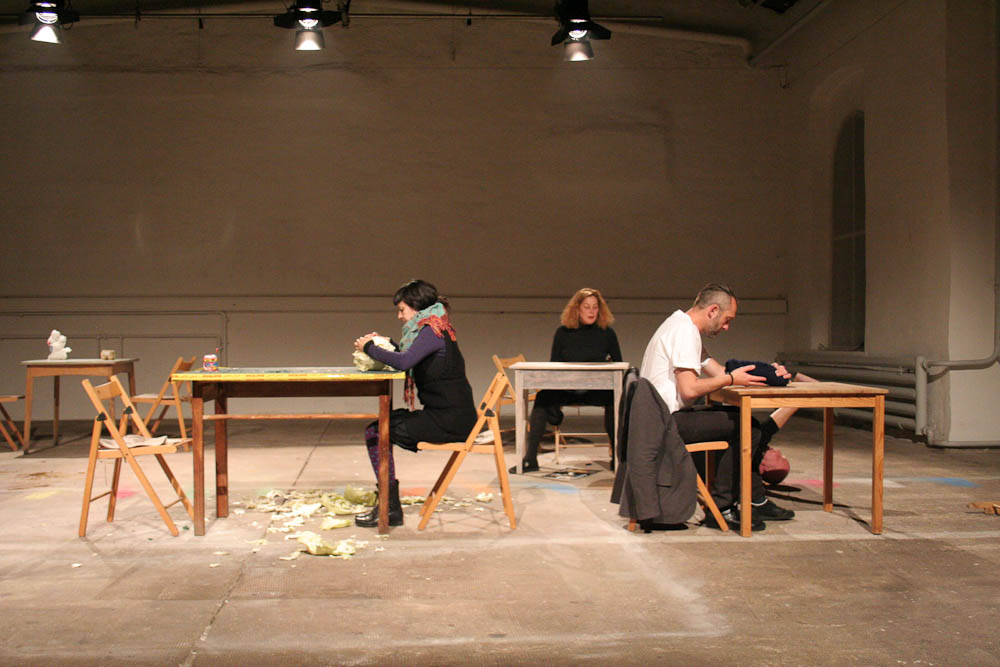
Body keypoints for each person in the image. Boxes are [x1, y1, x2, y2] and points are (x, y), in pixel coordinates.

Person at [639, 283, 814, 531]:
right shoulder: (685, 332)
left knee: (743, 422)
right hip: (665, 423)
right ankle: (722, 506)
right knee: (746, 427)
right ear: (712, 311)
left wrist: (771, 374)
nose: (727, 327)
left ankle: (750, 498)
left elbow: (720, 371)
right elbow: (690, 389)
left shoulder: (680, 324)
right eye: (727, 319)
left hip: (659, 418)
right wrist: (731, 379)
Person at [352, 280, 477, 527]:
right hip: (451, 416)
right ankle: (389, 505)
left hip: (450, 421)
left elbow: (404, 362)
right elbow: (410, 354)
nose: (399, 316)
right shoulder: (434, 327)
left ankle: (389, 507)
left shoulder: (432, 331)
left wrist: (369, 347)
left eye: (402, 310)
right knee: (382, 426)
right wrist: (385, 342)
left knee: (376, 431)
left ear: (417, 306)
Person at [511, 287, 623, 473]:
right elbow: (554, 365)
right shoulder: (563, 333)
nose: (591, 311)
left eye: (595, 307)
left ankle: (617, 459)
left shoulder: (607, 333)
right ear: (577, 309)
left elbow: (619, 364)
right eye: (586, 307)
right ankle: (530, 459)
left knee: (614, 400)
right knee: (543, 398)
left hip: (596, 390)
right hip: (567, 389)